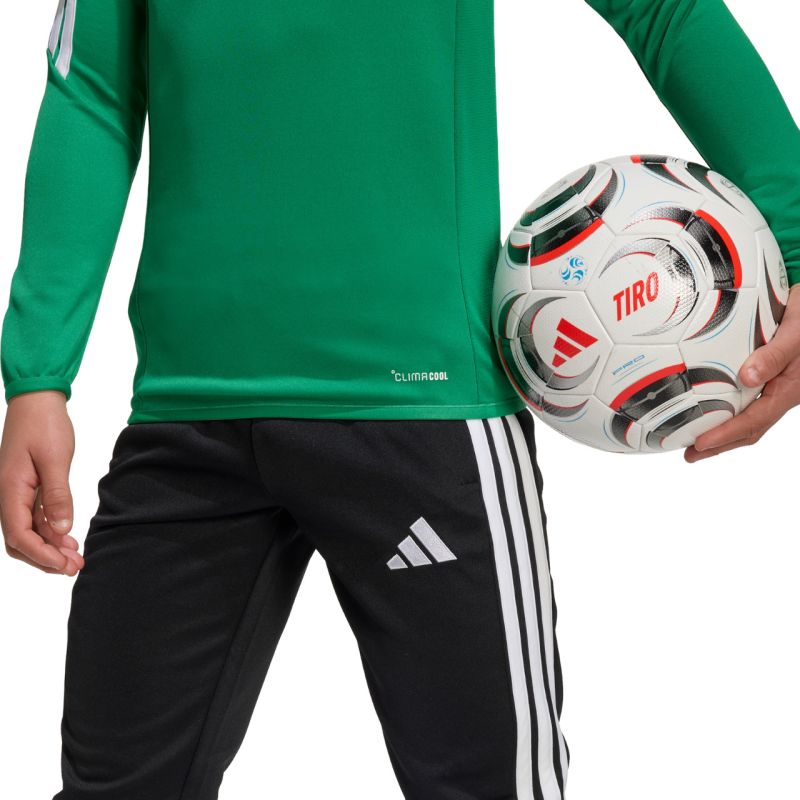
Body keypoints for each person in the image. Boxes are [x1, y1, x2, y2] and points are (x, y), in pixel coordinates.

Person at [1, 2, 798, 798]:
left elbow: (663, 11)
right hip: (185, 418)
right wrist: (37, 375)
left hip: (427, 417)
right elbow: (93, 89)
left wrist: (794, 242)